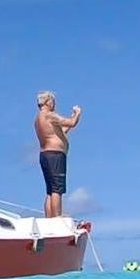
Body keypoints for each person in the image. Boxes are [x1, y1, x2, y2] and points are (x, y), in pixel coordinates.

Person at [34, 89, 82, 218]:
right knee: (57, 189)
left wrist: (72, 118)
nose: (54, 104)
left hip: (45, 155)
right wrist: (77, 113)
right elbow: (71, 123)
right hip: (54, 154)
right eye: (53, 101)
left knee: (50, 190)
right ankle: (57, 218)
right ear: (47, 102)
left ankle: (50, 219)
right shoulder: (49, 115)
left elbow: (61, 131)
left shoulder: (39, 119)